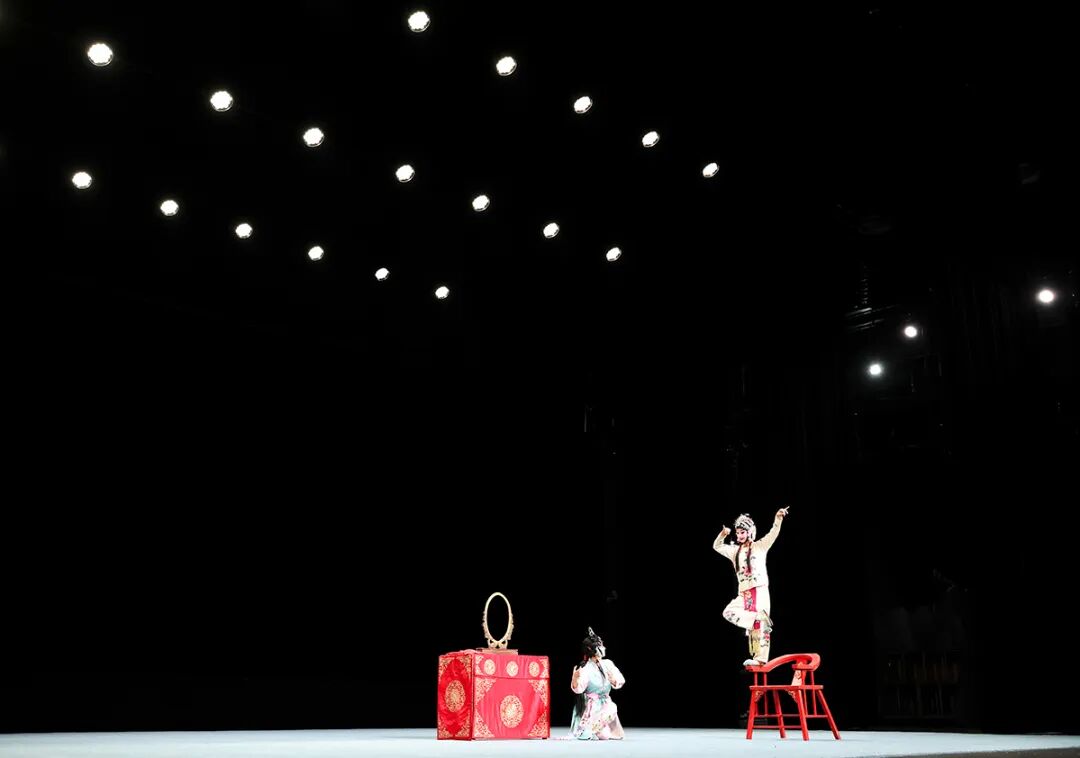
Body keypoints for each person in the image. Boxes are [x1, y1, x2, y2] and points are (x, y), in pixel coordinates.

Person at [713, 507, 789, 665]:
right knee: (729, 612)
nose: (739, 535)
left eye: (742, 532)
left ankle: (760, 659)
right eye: (737, 533)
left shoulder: (760, 546)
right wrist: (723, 534)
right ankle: (755, 620)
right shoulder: (735, 551)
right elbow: (717, 546)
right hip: (744, 593)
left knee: (760, 626)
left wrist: (778, 517)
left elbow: (773, 532)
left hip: (759, 590)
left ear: (750, 532)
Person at [569, 627, 626, 740]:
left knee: (612, 709)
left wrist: (614, 680)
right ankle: (592, 729)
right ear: (591, 649)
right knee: (603, 735)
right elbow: (579, 689)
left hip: (606, 704)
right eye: (600, 646)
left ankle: (600, 728)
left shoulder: (608, 664)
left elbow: (620, 679)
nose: (603, 648)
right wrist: (575, 679)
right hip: (592, 706)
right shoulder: (585, 668)